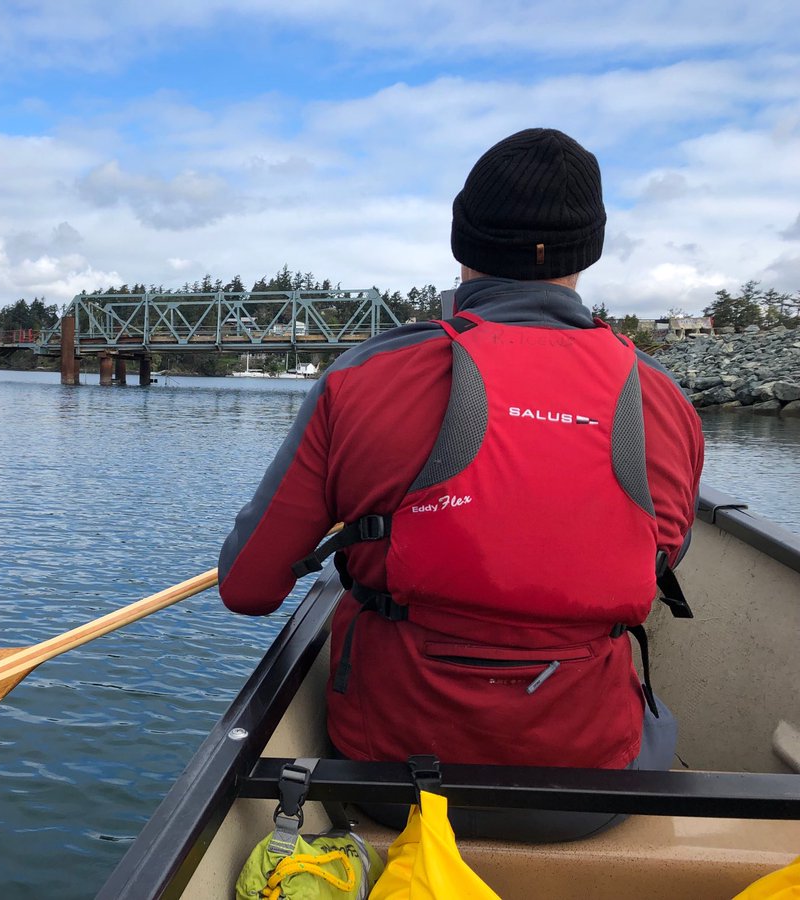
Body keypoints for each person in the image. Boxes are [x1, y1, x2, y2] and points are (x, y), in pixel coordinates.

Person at [218, 127, 704, 841]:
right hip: (589, 790)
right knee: (660, 719)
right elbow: (663, 558)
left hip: (391, 784)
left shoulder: (364, 379)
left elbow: (246, 588)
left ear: (461, 241)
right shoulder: (665, 402)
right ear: (589, 250)